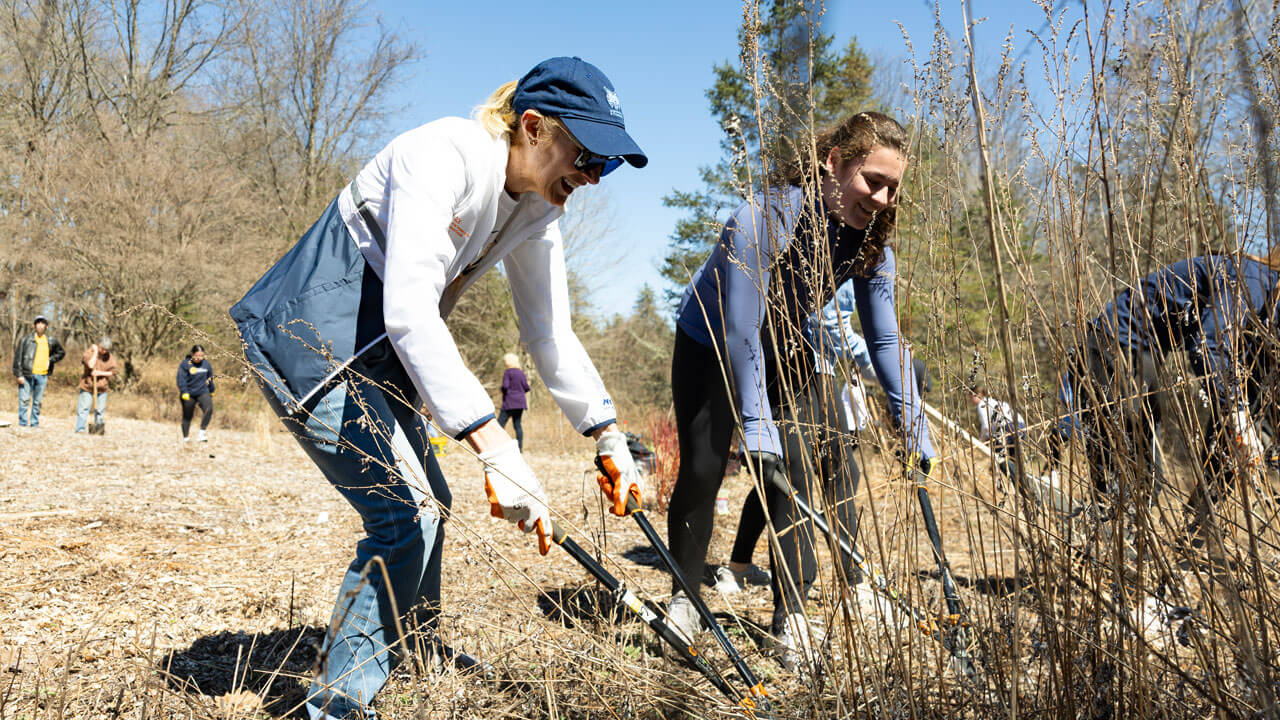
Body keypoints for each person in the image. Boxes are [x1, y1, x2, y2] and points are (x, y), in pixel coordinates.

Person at [230, 57, 648, 720]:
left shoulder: (537, 211)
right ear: (534, 128)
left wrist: (607, 433)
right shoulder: (443, 153)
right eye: (589, 153)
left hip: (377, 359)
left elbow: (551, 335)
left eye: (610, 165)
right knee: (406, 517)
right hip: (307, 341)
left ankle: (407, 655)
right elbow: (409, 311)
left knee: (433, 501)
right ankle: (336, 707)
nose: (595, 176)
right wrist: (496, 448)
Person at [669, 111, 935, 670]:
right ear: (833, 163)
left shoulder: (872, 243)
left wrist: (912, 424)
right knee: (703, 465)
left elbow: (885, 340)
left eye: (894, 187)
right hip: (712, 337)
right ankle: (684, 598)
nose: (883, 198)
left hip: (784, 339)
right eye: (873, 181)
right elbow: (741, 328)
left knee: (795, 466)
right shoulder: (761, 217)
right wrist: (757, 422)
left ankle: (791, 616)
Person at [1064, 254, 1278, 539]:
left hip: (1138, 355)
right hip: (1114, 346)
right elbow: (1209, 346)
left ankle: (1191, 535)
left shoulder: (1264, 307)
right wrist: (1237, 413)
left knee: (1144, 484)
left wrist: (1244, 429)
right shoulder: (1249, 278)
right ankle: (1101, 552)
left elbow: (1252, 381)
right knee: (1135, 484)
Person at [12, 315, 66, 428]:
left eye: (43, 323)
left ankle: (34, 424)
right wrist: (19, 374)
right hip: (27, 374)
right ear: (34, 325)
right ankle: (22, 423)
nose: (40, 325)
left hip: (42, 375)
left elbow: (61, 353)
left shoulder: (51, 341)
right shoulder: (25, 339)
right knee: (24, 400)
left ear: (46, 326)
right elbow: (18, 358)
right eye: (38, 323)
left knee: (37, 402)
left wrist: (51, 360)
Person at [76, 337, 116, 433]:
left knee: (100, 410)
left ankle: (98, 429)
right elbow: (90, 365)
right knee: (84, 409)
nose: (104, 351)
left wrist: (99, 373)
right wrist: (95, 353)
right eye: (102, 349)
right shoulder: (89, 352)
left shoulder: (110, 357)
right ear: (99, 346)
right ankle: (80, 429)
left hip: (102, 388)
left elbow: (113, 372)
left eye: (106, 350)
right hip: (88, 386)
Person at [177, 345, 215, 442]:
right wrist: (184, 391)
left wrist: (212, 390)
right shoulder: (185, 364)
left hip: (203, 391)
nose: (199, 358)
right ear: (192, 354)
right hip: (188, 393)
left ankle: (202, 434)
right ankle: (186, 437)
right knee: (187, 415)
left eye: (202, 356)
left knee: (209, 409)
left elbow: (210, 378)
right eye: (197, 355)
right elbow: (181, 379)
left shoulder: (206, 364)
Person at [497, 353, 531, 450]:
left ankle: (499, 446)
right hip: (520, 403)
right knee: (517, 425)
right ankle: (520, 449)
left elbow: (505, 386)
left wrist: (502, 391)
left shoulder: (508, 372)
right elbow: (527, 387)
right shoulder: (521, 373)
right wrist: (519, 392)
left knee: (500, 425)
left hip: (509, 403)